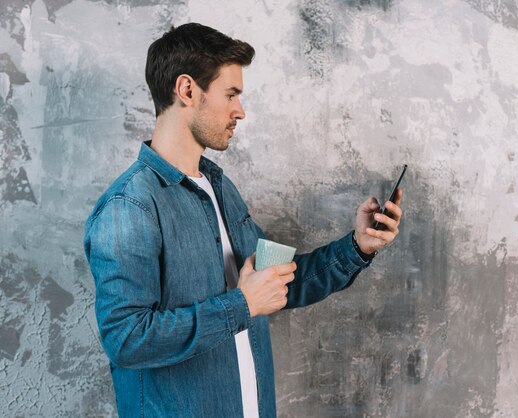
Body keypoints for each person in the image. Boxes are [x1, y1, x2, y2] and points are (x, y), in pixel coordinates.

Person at [83, 22, 403, 418]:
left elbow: (278, 281)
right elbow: (127, 339)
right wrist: (242, 305)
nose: (241, 111)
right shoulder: (129, 207)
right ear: (186, 90)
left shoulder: (220, 187)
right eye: (230, 94)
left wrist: (356, 247)